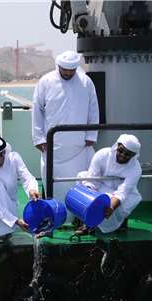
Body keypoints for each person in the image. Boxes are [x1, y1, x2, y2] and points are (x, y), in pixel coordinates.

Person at [32, 50, 99, 224]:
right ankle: (56, 217)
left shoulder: (86, 82)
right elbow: (37, 111)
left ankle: (78, 218)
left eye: (72, 70)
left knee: (80, 182)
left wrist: (91, 134)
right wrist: (39, 138)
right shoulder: (45, 81)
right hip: (53, 147)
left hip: (79, 146)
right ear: (58, 66)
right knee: (53, 184)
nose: (68, 73)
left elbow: (93, 109)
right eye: (65, 70)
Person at [75, 134, 142, 235]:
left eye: (127, 154)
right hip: (99, 186)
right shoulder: (102, 155)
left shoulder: (136, 169)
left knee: (122, 203)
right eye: (120, 150)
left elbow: (123, 192)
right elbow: (92, 179)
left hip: (120, 194)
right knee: (82, 177)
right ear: (116, 146)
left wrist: (111, 207)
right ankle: (87, 222)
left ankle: (120, 221)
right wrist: (90, 199)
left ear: (133, 155)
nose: (122, 155)